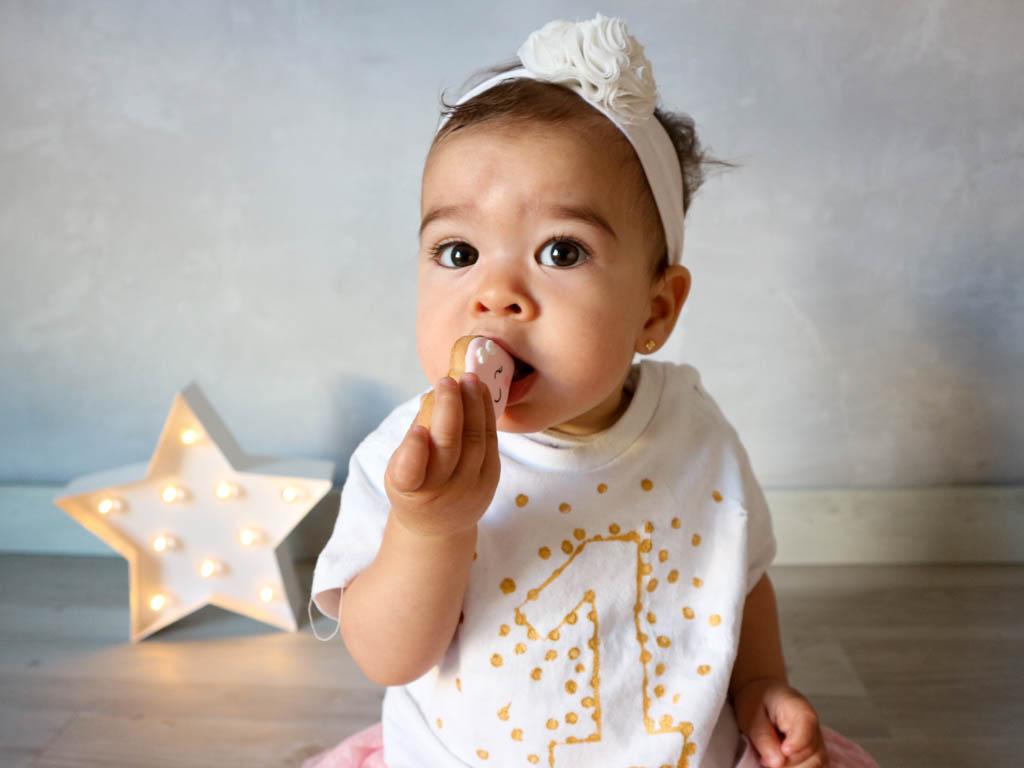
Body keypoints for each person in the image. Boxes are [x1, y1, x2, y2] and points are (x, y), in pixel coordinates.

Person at [306, 13, 879, 768]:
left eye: (560, 250)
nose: (497, 293)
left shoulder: (691, 430)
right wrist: (429, 528)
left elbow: (738, 577)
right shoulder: (415, 457)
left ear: (654, 310)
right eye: (457, 251)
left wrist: (760, 683)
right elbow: (388, 657)